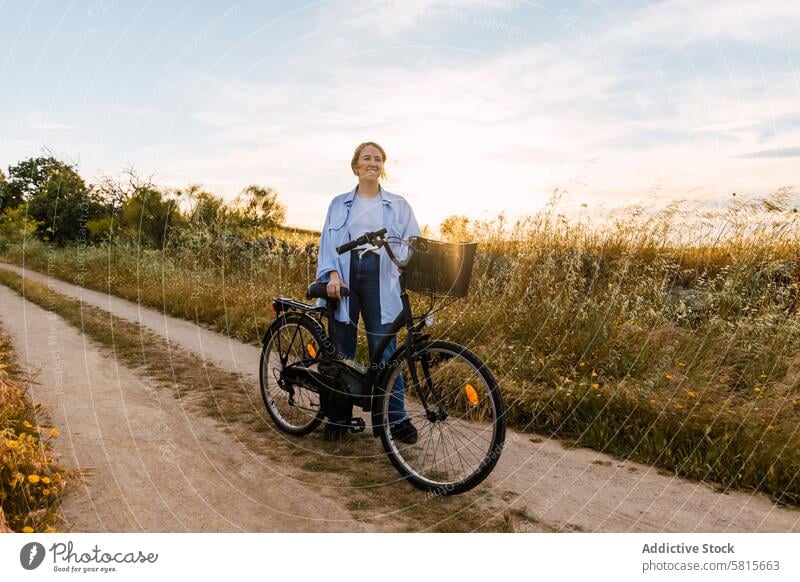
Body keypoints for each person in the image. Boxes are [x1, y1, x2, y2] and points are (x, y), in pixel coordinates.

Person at [316, 141, 420, 443]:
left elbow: (414, 242)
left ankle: (395, 419)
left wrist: (409, 264)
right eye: (366, 158)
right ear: (356, 166)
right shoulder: (339, 203)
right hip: (346, 274)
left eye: (378, 159)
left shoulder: (398, 205)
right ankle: (338, 418)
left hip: (381, 275)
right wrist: (333, 275)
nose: (372, 163)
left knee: (386, 349)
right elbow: (328, 242)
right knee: (341, 349)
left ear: (382, 167)